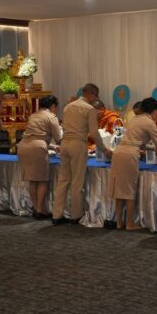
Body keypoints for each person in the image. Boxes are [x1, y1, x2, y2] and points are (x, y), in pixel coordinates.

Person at [52, 83, 110, 225]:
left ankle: (57, 215)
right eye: (96, 96)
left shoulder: (68, 107)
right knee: (77, 182)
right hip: (77, 144)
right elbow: (94, 133)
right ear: (91, 94)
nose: (95, 99)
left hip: (64, 144)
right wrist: (104, 149)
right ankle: (75, 215)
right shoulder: (89, 109)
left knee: (63, 180)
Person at [109, 97, 157, 230]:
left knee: (119, 189)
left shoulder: (135, 119)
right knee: (129, 189)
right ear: (154, 111)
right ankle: (129, 224)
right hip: (130, 154)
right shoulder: (149, 122)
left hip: (119, 152)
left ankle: (119, 222)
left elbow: (139, 141)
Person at [17, 95, 62, 219]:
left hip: (23, 146)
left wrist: (53, 147)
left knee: (32, 180)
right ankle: (40, 210)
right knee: (42, 180)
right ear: (53, 106)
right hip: (37, 148)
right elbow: (58, 138)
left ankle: (36, 209)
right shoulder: (51, 117)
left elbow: (34, 136)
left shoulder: (33, 115)